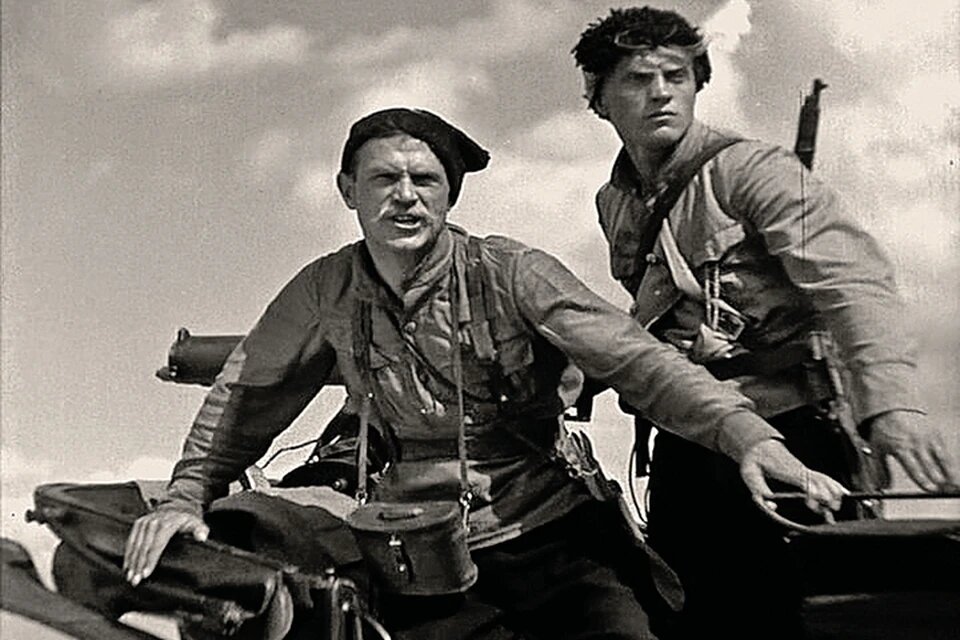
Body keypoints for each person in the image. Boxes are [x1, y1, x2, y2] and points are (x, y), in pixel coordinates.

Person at [123, 107, 846, 640]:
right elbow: (248, 393)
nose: (405, 195)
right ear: (347, 190)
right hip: (426, 555)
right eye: (383, 178)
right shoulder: (325, 291)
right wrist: (186, 497)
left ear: (449, 195)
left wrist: (750, 437)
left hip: (553, 535)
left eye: (424, 179)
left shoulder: (511, 272)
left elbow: (639, 361)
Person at [571, 7, 960, 639]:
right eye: (639, 79)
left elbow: (853, 284)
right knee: (694, 619)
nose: (662, 92)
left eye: (677, 75)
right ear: (598, 96)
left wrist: (890, 407)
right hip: (690, 439)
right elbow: (661, 314)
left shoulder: (752, 171)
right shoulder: (614, 201)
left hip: (794, 431)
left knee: (813, 618)